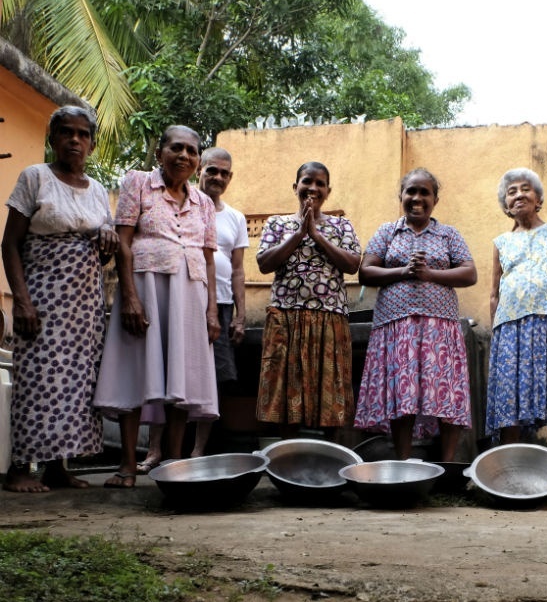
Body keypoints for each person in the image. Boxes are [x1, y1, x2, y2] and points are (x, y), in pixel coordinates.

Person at [93, 125, 220, 488]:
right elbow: (123, 241)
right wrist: (129, 296)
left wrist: (212, 310)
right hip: (146, 289)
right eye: (176, 148)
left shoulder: (204, 204)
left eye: (192, 151)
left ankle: (175, 466)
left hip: (191, 294)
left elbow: (209, 260)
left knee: (184, 380)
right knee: (136, 372)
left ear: (198, 160)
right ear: (160, 151)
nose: (184, 156)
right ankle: (129, 465)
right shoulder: (137, 183)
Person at [1, 105, 118, 493]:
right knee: (36, 379)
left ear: (92, 144)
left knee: (74, 384)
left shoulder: (99, 191)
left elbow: (102, 254)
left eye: (83, 134)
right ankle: (20, 467)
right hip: (42, 297)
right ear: (52, 139)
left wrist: (106, 243)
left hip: (84, 304)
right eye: (66, 132)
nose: (75, 140)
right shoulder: (35, 177)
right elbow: (10, 244)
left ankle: (57, 467)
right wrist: (22, 301)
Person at [136, 146, 249, 471]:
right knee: (167, 373)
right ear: (200, 170)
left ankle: (197, 453)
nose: (218, 177)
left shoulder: (236, 217)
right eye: (212, 170)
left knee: (210, 378)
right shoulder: (184, 205)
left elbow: (238, 269)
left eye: (224, 173)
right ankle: (155, 451)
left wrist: (240, 315)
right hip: (181, 298)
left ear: (230, 178)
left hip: (221, 306)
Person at [354, 168, 477, 461]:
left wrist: (430, 274)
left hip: (440, 328)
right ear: (401, 196)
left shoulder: (449, 234)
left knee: (446, 395)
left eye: (425, 192)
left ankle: (447, 466)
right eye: (411, 191)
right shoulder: (387, 231)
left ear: (435, 199)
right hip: (397, 327)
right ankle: (403, 463)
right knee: (403, 397)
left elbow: (470, 273)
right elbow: (365, 271)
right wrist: (403, 271)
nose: (417, 198)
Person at [255, 161, 361, 437]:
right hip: (285, 316)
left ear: (328, 190)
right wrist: (299, 233)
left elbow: (352, 264)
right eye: (306, 181)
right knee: (285, 386)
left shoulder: (342, 226)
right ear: (295, 186)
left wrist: (316, 235)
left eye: (320, 184)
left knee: (330, 387)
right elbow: (264, 264)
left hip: (330, 317)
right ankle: (286, 457)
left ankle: (331, 458)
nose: (313, 188)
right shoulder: (277, 224)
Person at [486, 168, 547, 454]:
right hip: (509, 328)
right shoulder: (500, 243)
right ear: (506, 206)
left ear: (538, 199)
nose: (518, 195)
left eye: (525, 189)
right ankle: (508, 464)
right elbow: (493, 293)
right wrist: (496, 335)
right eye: (511, 192)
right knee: (509, 392)